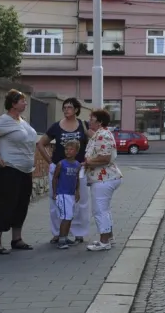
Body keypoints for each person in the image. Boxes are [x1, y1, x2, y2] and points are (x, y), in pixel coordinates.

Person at [0, 89, 38, 255]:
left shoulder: (22, 121)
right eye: (22, 101)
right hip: (9, 170)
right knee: (7, 205)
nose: (25, 103)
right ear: (13, 104)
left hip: (25, 170)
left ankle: (17, 239)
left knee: (21, 205)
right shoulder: (3, 121)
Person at [36, 97, 91, 245]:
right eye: (65, 107)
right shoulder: (56, 127)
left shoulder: (83, 125)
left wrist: (89, 160)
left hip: (79, 168)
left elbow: (94, 141)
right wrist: (50, 162)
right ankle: (57, 233)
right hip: (60, 169)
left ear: (76, 110)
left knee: (80, 201)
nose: (66, 110)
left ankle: (79, 233)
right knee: (56, 201)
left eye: (70, 107)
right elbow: (40, 143)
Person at [83, 108, 123, 252]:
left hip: (104, 178)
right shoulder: (100, 134)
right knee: (104, 209)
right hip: (104, 177)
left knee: (100, 210)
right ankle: (109, 238)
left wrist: (87, 163)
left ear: (99, 122)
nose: (89, 121)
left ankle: (104, 241)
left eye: (92, 119)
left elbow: (104, 158)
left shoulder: (102, 135)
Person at [52, 141, 82, 249]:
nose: (68, 151)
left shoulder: (78, 165)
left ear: (76, 151)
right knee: (66, 217)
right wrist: (55, 192)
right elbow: (55, 178)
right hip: (63, 194)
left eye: (71, 149)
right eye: (66, 149)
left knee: (70, 217)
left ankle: (65, 237)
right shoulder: (61, 164)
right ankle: (61, 240)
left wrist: (77, 191)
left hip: (71, 194)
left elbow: (77, 179)